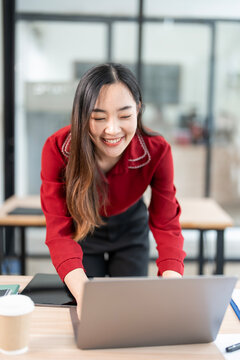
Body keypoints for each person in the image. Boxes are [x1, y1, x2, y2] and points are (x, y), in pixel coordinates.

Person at [40, 63, 186, 306]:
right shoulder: (58, 148)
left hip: (131, 228)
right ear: (82, 114)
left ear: (138, 110)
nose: (112, 129)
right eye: (98, 117)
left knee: (130, 307)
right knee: (86, 303)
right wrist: (83, 293)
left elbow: (166, 222)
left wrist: (172, 279)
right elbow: (58, 230)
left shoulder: (157, 150)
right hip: (82, 229)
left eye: (125, 116)